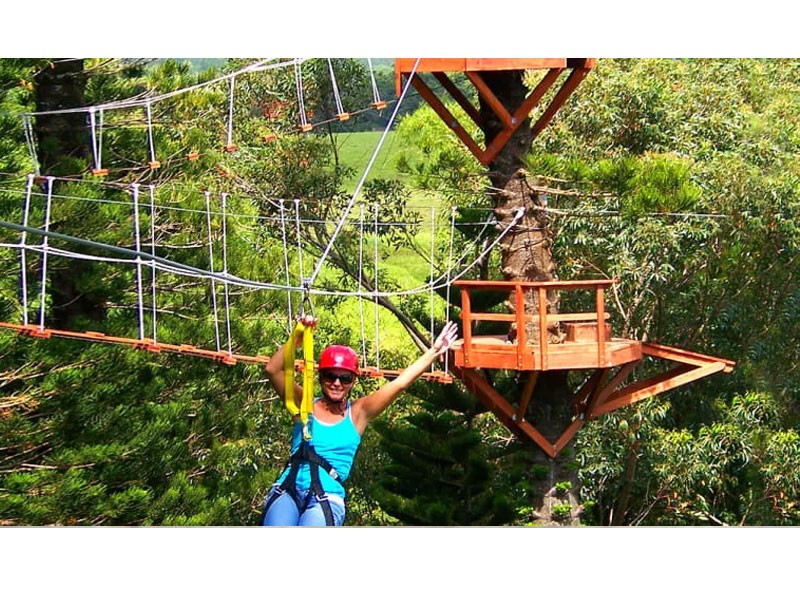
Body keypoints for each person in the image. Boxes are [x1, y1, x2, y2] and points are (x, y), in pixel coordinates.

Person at [261, 316, 459, 526]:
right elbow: (273, 370)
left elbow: (399, 384)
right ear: (320, 377)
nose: (336, 383)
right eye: (330, 376)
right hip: (288, 488)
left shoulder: (358, 413)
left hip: (326, 497)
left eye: (344, 378)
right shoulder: (305, 404)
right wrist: (299, 337)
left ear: (353, 381)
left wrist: (434, 351)